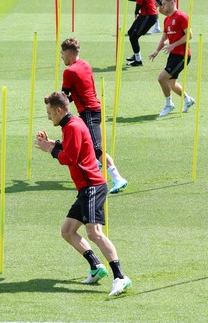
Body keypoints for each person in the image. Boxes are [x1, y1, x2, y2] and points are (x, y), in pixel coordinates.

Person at [35, 91, 132, 297]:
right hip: (86, 188)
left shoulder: (72, 126)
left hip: (92, 187)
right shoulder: (72, 125)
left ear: (60, 110)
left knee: (94, 233)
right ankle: (96, 267)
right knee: (67, 230)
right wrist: (52, 143)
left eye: (50, 113)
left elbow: (69, 158)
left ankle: (120, 277)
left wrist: (49, 150)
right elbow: (72, 149)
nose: (48, 117)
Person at [60, 38, 127, 194]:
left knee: (96, 148)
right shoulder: (85, 65)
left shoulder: (69, 71)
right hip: (93, 109)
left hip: (89, 112)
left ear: (69, 53)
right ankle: (96, 166)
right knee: (87, 143)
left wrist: (53, 103)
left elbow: (64, 98)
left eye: (62, 53)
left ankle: (117, 178)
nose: (61, 57)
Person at [148, 0, 195, 117]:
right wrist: (157, 50)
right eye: (161, 4)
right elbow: (164, 37)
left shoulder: (182, 16)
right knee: (171, 83)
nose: (162, 7)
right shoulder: (167, 19)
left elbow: (189, 35)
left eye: (164, 4)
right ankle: (188, 100)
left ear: (172, 2)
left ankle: (169, 104)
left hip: (182, 55)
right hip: (173, 54)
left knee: (162, 78)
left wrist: (173, 45)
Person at [113, 0, 157, 67]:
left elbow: (139, 2)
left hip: (149, 16)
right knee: (130, 33)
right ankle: (136, 54)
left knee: (133, 37)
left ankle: (138, 60)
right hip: (145, 15)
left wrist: (136, 12)